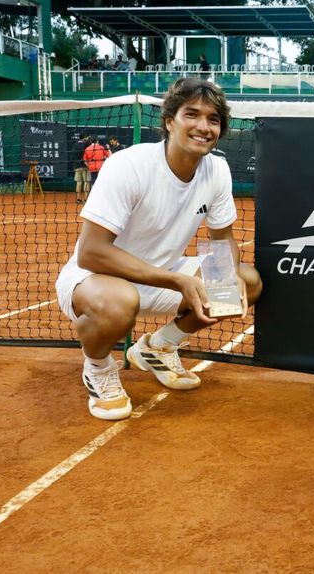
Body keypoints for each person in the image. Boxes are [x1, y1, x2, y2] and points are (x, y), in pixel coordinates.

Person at [55, 78, 263, 421]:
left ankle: (158, 347)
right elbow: (90, 252)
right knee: (120, 304)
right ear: (169, 121)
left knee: (246, 282)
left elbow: (222, 237)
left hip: (164, 276)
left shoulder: (218, 170)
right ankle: (99, 368)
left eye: (213, 119)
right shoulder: (128, 165)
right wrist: (176, 281)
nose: (203, 126)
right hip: (96, 279)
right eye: (191, 114)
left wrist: (225, 275)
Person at [71, 133, 90, 203]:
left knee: (78, 182)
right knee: (86, 182)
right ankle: (86, 199)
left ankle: (78, 199)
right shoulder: (86, 144)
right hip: (85, 166)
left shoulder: (75, 144)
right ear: (84, 137)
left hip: (77, 166)